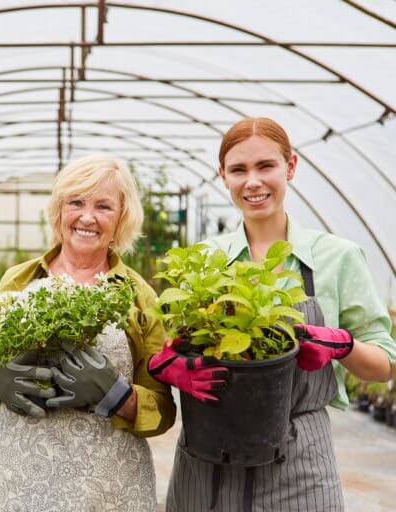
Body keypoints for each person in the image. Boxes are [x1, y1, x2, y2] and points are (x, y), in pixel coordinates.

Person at [149, 117, 396, 511]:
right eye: (239, 170)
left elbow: (384, 365)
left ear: (291, 167)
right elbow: (173, 345)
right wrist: (169, 365)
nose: (253, 182)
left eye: (266, 166)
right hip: (210, 460)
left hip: (299, 463)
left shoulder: (337, 257)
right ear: (223, 176)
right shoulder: (203, 263)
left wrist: (343, 346)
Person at [0, 154, 176, 511]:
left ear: (122, 218)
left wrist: (116, 395)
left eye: (104, 206)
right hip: (16, 481)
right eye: (76, 202)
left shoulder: (138, 295)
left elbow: (162, 409)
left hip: (106, 487)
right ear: (59, 210)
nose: (87, 217)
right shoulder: (20, 280)